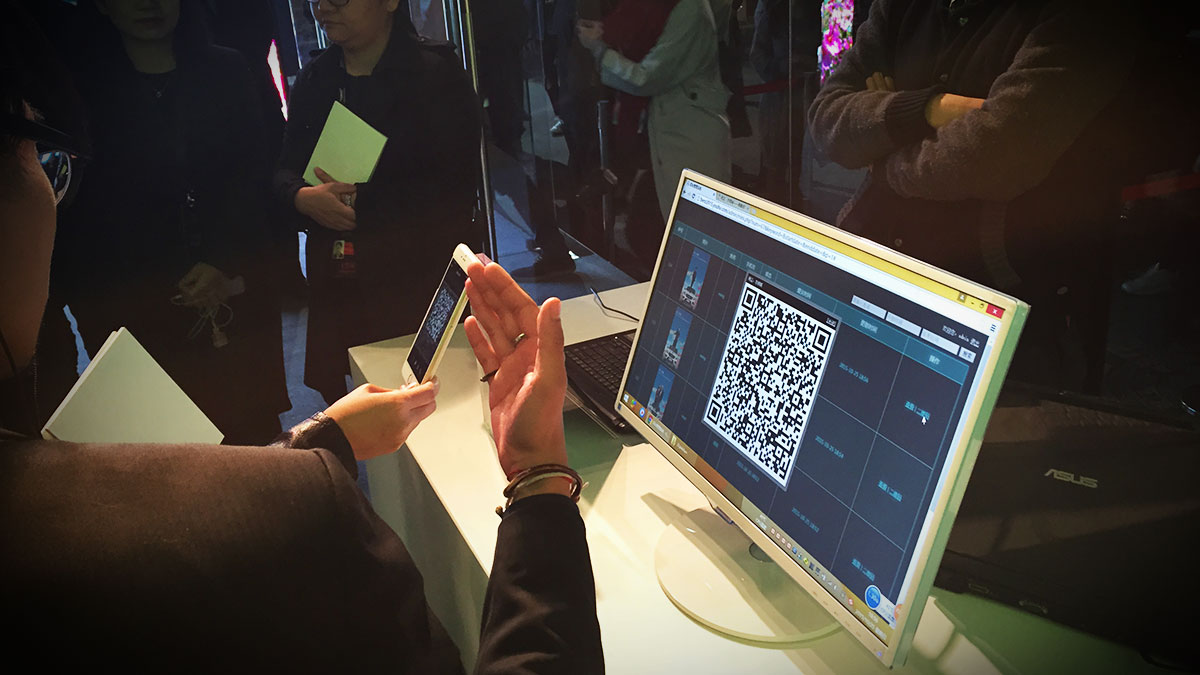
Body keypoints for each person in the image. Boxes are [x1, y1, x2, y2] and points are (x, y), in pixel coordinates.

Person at [0, 9, 603, 667]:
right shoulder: (317, 78)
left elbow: (445, 185)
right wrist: (538, 477)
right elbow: (282, 172)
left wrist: (317, 443)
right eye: (49, 166)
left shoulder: (425, 75)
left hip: (411, 286)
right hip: (333, 291)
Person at [807, 0, 1161, 392]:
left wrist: (880, 152)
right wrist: (930, 108)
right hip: (875, 274)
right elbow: (826, 120)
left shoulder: (1085, 14)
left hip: (998, 308)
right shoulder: (899, 7)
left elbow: (996, 154)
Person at [54, 0, 290, 444]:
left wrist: (222, 261)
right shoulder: (80, 91)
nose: (149, 4)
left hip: (233, 290)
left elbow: (254, 176)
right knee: (164, 448)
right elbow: (86, 212)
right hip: (136, 299)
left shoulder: (226, 70)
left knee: (253, 441)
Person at [275, 0, 481, 405]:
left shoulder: (434, 75)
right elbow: (284, 167)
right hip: (339, 275)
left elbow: (455, 189)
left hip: (415, 276)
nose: (324, 8)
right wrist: (300, 197)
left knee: (438, 399)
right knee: (353, 400)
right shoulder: (317, 77)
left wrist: (361, 203)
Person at [576, 0, 732, 222]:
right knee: (685, 226)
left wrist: (601, 52)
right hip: (680, 129)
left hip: (689, 134)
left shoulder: (689, 8)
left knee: (698, 227)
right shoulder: (676, 7)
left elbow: (647, 78)